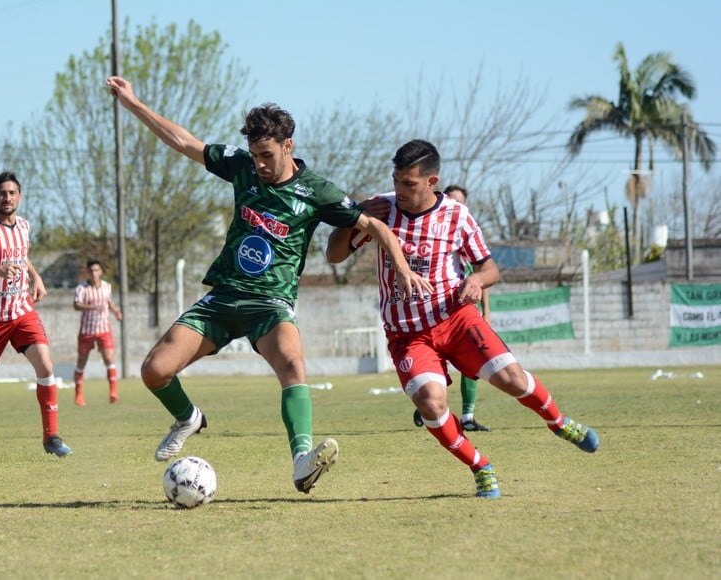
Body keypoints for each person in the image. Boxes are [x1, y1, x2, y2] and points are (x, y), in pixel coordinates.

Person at [106, 76, 432, 494]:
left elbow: (374, 226)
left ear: (288, 145)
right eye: (255, 154)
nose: (259, 163)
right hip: (223, 298)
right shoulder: (242, 167)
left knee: (293, 365)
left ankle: (302, 461)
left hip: (271, 305)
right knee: (154, 371)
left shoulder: (317, 192)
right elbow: (184, 141)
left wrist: (402, 269)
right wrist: (134, 103)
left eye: (267, 155)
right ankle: (188, 417)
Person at [326, 139, 599, 498]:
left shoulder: (456, 215)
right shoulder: (381, 209)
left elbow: (490, 268)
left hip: (456, 320)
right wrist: (355, 216)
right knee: (430, 403)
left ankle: (559, 423)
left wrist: (477, 280)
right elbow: (334, 255)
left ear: (432, 182)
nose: (399, 190)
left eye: (408, 183)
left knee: (512, 379)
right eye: (396, 180)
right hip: (408, 334)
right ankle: (480, 467)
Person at [0, 171, 72, 462]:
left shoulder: (23, 225)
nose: (7, 198)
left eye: (12, 193)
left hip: (21, 310)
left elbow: (22, 255)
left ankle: (51, 436)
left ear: (19, 197)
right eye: (1, 193)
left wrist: (36, 277)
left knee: (45, 365)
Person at [410, 185, 490, 432]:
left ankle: (467, 416)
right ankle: (428, 402)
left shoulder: (467, 235)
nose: (457, 205)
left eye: (461, 202)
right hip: (435, 315)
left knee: (474, 362)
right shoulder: (435, 237)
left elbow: (482, 274)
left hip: (463, 314)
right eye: (453, 200)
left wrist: (486, 312)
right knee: (435, 365)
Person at [73, 259, 123, 406]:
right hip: (86, 330)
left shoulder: (107, 286)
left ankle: (113, 392)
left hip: (103, 330)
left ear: (101, 272)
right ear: (87, 272)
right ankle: (78, 395)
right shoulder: (81, 288)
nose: (94, 273)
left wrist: (116, 311)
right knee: (81, 361)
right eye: (91, 271)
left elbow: (109, 301)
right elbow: (76, 305)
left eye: (96, 270)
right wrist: (92, 307)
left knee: (109, 358)